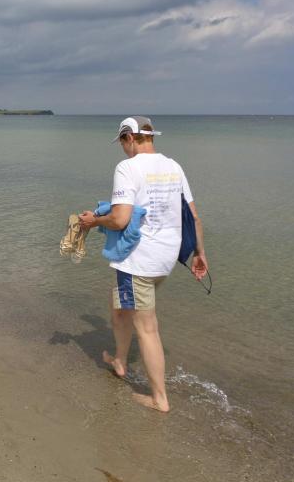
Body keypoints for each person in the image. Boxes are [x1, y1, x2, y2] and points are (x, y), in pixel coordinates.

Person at [79, 116, 208, 413]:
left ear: (129, 138)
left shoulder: (128, 168)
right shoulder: (173, 166)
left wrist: (93, 221)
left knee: (147, 328)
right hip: (166, 257)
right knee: (119, 307)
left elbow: (120, 219)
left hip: (139, 260)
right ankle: (120, 361)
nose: (122, 149)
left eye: (122, 142)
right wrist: (200, 253)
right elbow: (194, 216)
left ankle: (159, 399)